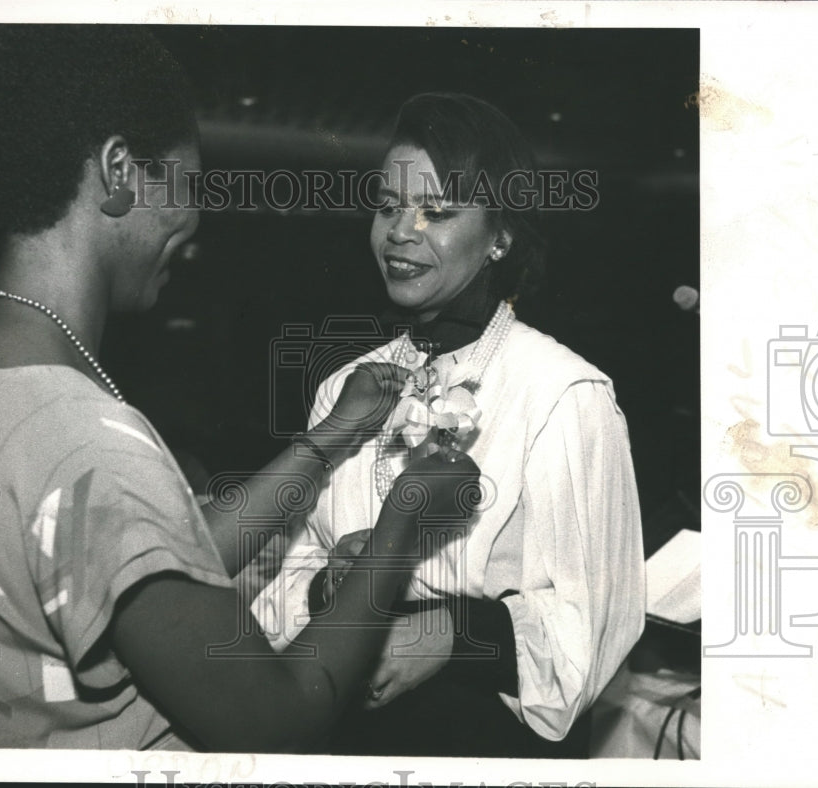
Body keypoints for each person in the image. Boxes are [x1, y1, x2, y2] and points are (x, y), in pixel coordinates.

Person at [0, 27, 478, 751]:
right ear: (117, 171)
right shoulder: (82, 437)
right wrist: (401, 527)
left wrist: (328, 440)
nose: (194, 222)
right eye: (187, 183)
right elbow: (278, 714)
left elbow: (150, 549)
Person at [252, 93, 646, 757]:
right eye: (387, 206)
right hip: (335, 726)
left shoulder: (563, 395)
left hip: (483, 740)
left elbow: (594, 629)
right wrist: (328, 587)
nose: (401, 231)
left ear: (500, 235)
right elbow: (282, 584)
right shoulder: (343, 390)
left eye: (437, 212)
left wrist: (453, 632)